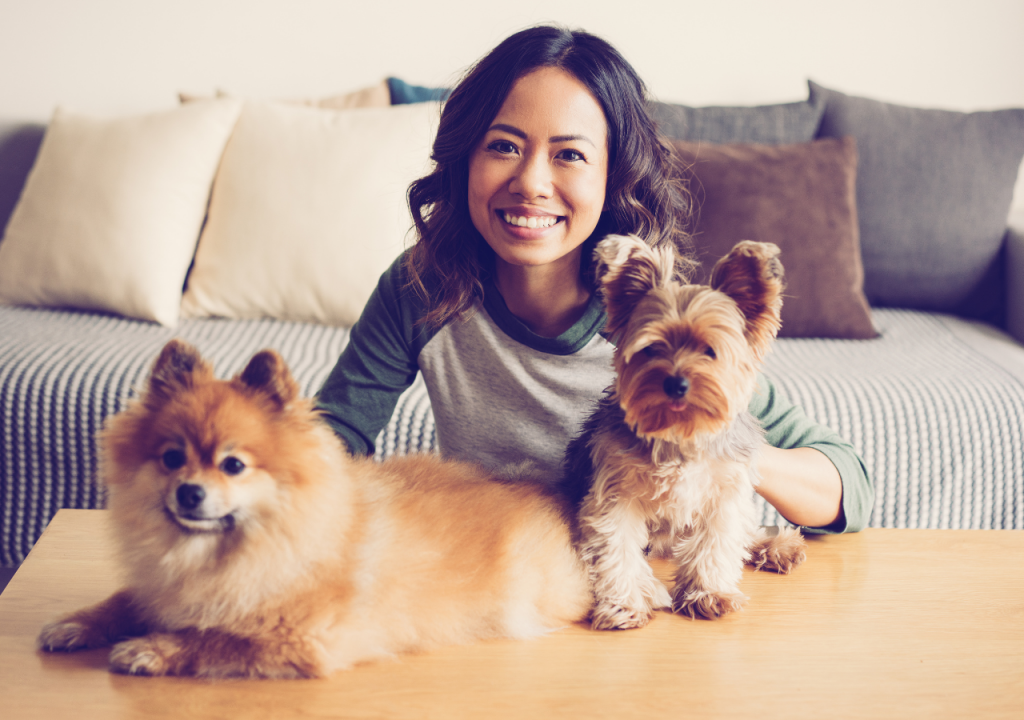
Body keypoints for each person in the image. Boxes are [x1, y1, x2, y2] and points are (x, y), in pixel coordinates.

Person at [316, 25, 873, 534]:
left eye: (570, 155)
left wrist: (722, 446)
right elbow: (327, 443)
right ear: (466, 159)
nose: (532, 182)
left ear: (614, 179)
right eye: (504, 146)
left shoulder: (654, 318)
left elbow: (849, 486)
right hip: (495, 561)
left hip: (637, 583)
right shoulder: (421, 288)